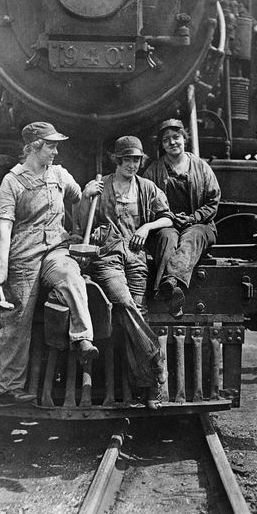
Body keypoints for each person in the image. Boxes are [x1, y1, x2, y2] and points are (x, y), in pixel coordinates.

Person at [0, 121, 98, 405]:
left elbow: (79, 198)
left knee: (70, 275)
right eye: (50, 145)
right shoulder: (12, 182)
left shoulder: (60, 175)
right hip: (24, 254)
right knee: (17, 318)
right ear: (34, 147)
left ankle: (83, 338)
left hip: (55, 249)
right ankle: (9, 388)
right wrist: (2, 268)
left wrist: (88, 192)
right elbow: (4, 228)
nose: (55, 151)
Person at [80, 136, 172, 408]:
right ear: (117, 160)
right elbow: (82, 221)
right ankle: (155, 354)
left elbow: (168, 217)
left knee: (137, 313)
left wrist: (147, 227)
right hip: (107, 256)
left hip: (136, 255)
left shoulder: (146, 188)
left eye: (137, 160)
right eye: (128, 159)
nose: (133, 165)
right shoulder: (101, 186)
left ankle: (148, 389)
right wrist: (86, 197)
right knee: (122, 301)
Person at [143, 119, 221, 316]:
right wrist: (167, 217)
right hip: (167, 224)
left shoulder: (201, 167)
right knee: (167, 238)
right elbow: (146, 202)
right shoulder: (153, 171)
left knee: (191, 237)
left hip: (200, 225)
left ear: (184, 139)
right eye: (166, 140)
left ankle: (170, 281)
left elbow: (213, 200)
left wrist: (193, 218)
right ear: (161, 145)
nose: (172, 142)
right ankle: (172, 291)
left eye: (176, 137)